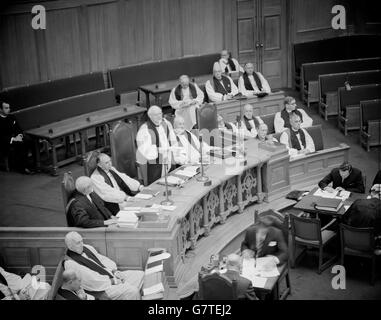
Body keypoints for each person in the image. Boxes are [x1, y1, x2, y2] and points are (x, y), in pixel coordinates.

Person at [63, 231, 144, 300]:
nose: (82, 244)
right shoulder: (71, 263)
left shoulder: (87, 247)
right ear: (70, 246)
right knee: (132, 291)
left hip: (110, 275)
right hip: (101, 288)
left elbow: (102, 260)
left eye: (82, 241)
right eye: (78, 243)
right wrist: (113, 281)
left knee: (141, 275)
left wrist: (115, 271)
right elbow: (91, 280)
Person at [136, 105, 179, 185]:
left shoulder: (166, 123)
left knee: (172, 180)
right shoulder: (145, 129)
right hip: (155, 162)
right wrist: (159, 150)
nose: (159, 116)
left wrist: (174, 150)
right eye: (156, 115)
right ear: (150, 116)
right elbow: (144, 150)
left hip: (169, 158)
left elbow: (173, 139)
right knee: (157, 184)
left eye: (160, 113)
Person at [0, 101, 34, 174]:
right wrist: (14, 139)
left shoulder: (12, 117)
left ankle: (33, 164)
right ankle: (23, 168)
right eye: (6, 108)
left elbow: (18, 129)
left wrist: (19, 135)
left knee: (29, 139)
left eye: (9, 107)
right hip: (5, 141)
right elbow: (1, 136)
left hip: (16, 137)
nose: (9, 109)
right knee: (21, 144)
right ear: (0, 109)